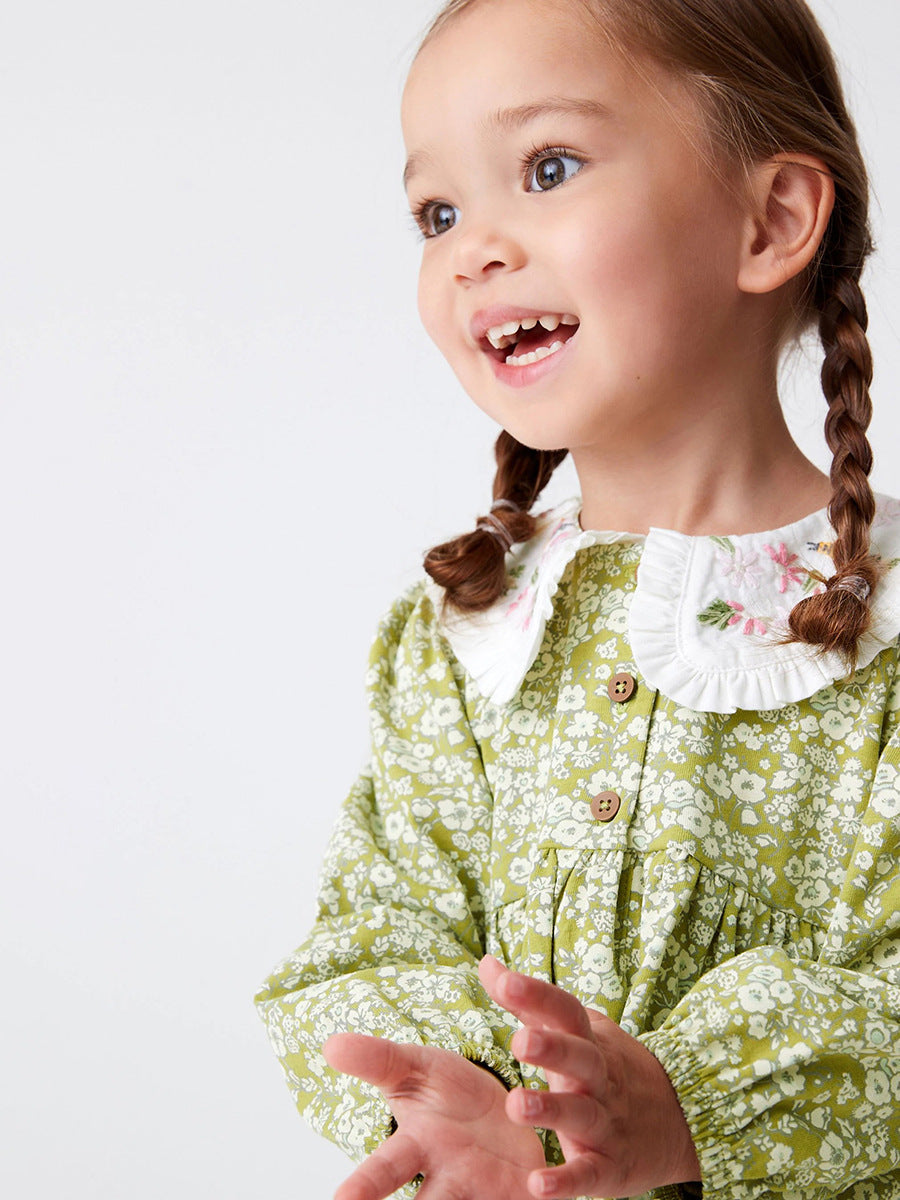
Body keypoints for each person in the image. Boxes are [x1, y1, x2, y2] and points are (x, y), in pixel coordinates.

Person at [255, 1, 900, 1197]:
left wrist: (689, 1100)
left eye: (547, 168)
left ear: (771, 219)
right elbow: (377, 928)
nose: (470, 248)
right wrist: (484, 1103)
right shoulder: (466, 634)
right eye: (437, 212)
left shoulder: (887, 640)